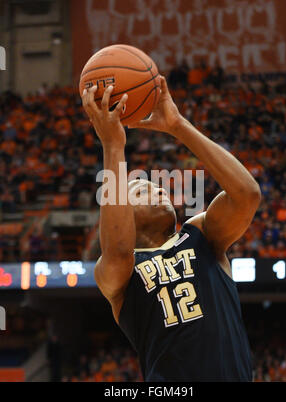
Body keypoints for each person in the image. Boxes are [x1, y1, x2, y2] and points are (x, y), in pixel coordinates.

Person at [81, 76, 261, 382]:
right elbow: (119, 247)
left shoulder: (200, 234)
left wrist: (178, 126)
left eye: (156, 186)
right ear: (121, 210)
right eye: (140, 190)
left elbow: (247, 195)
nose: (157, 190)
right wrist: (113, 146)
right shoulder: (119, 273)